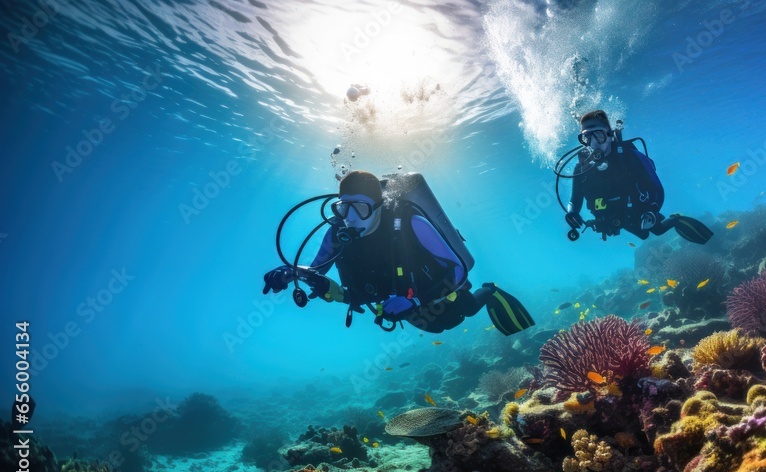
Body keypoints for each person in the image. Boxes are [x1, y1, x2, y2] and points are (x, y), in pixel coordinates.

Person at [262, 171, 534, 335]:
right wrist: (291, 273)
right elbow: (316, 269)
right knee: (433, 328)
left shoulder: (408, 221)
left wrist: (417, 302)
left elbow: (458, 267)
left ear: (379, 206)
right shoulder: (337, 231)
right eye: (343, 208)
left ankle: (490, 290)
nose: (350, 218)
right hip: (395, 299)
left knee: (457, 317)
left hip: (436, 289)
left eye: (361, 208)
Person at [564, 109, 713, 243]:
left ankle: (675, 219)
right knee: (643, 236)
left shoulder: (631, 157)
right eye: (586, 138)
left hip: (636, 211)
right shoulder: (582, 169)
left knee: (656, 231)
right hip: (609, 217)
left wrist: (652, 211)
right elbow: (574, 200)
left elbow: (657, 189)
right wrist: (572, 213)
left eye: (598, 135)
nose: (593, 143)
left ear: (609, 135)